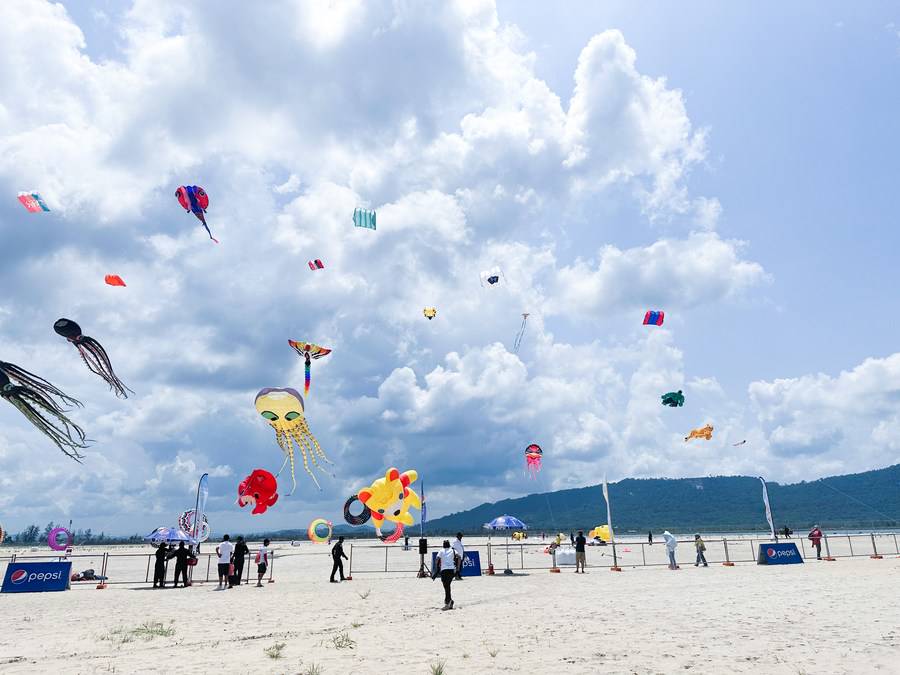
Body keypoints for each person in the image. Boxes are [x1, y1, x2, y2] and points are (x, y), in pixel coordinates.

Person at [435, 540, 456, 610]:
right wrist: (458, 567)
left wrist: (437, 566)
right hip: (451, 570)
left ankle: (448, 602)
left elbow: (437, 559)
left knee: (446, 586)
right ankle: (449, 601)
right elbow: (459, 557)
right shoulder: (452, 550)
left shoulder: (441, 551)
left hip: (444, 570)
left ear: (443, 545)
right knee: (447, 585)